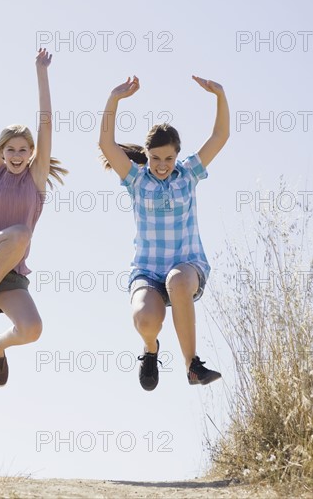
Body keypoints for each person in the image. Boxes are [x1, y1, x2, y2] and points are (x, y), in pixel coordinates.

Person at [98, 75, 229, 391]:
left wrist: (220, 95)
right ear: (147, 154)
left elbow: (220, 136)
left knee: (176, 280)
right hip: (147, 273)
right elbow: (105, 144)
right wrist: (114, 99)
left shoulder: (188, 174)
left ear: (176, 155)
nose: (161, 165)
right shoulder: (136, 179)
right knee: (145, 320)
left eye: (168, 158)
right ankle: (151, 349)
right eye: (156, 158)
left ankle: (192, 365)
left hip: (187, 268)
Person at [0, 50, 67, 387]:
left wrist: (41, 71)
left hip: (9, 274)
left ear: (32, 153)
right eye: (11, 150)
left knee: (32, 329)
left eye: (23, 150)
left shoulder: (36, 180)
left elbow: (45, 122)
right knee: (20, 233)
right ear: (2, 152)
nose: (17, 156)